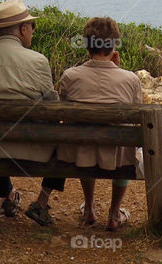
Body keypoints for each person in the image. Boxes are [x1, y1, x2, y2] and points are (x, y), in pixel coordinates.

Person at [30, 16, 142, 231]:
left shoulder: (70, 76)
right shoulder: (131, 79)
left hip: (81, 153)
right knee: (123, 145)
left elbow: (65, 112)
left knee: (85, 143)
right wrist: (115, 69)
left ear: (87, 46)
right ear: (114, 45)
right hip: (118, 156)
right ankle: (114, 214)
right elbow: (135, 119)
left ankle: (89, 209)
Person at [0, 0, 65, 224]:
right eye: (32, 26)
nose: (33, 31)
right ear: (22, 29)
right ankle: (41, 201)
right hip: (30, 150)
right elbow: (53, 108)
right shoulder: (38, 61)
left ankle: (6, 192)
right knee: (64, 137)